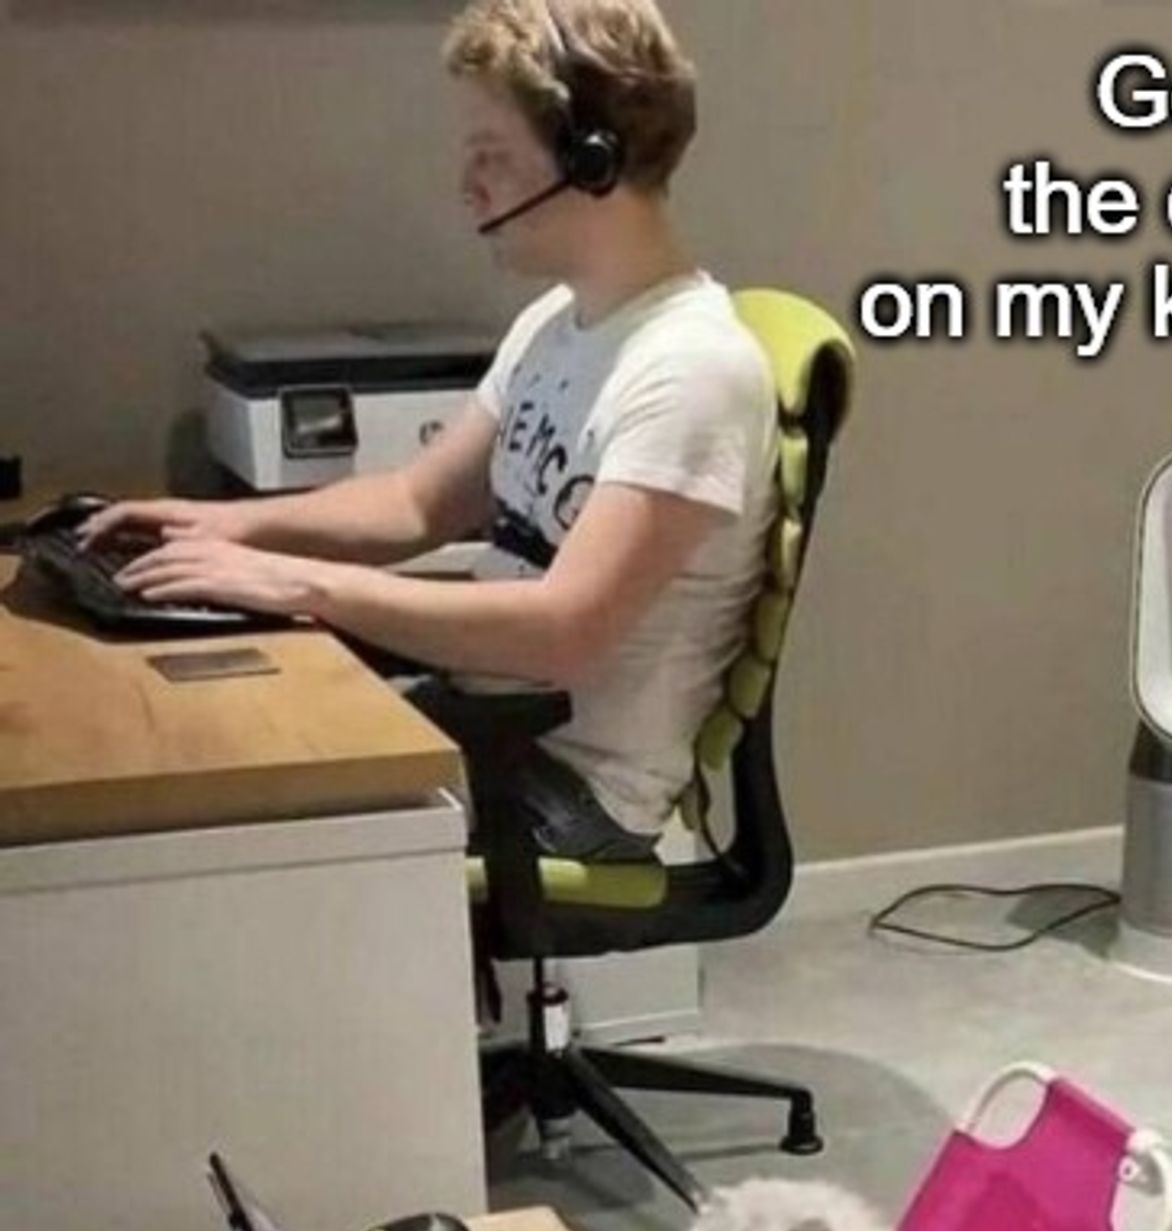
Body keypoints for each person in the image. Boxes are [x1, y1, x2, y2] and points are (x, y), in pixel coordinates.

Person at [88, 0, 779, 864]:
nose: (467, 187)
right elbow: (417, 504)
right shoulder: (555, 326)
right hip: (485, 720)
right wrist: (226, 527)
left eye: (491, 158)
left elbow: (564, 631)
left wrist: (294, 582)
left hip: (567, 787)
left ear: (589, 161)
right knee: (209, 731)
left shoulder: (692, 370)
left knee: (222, 816)